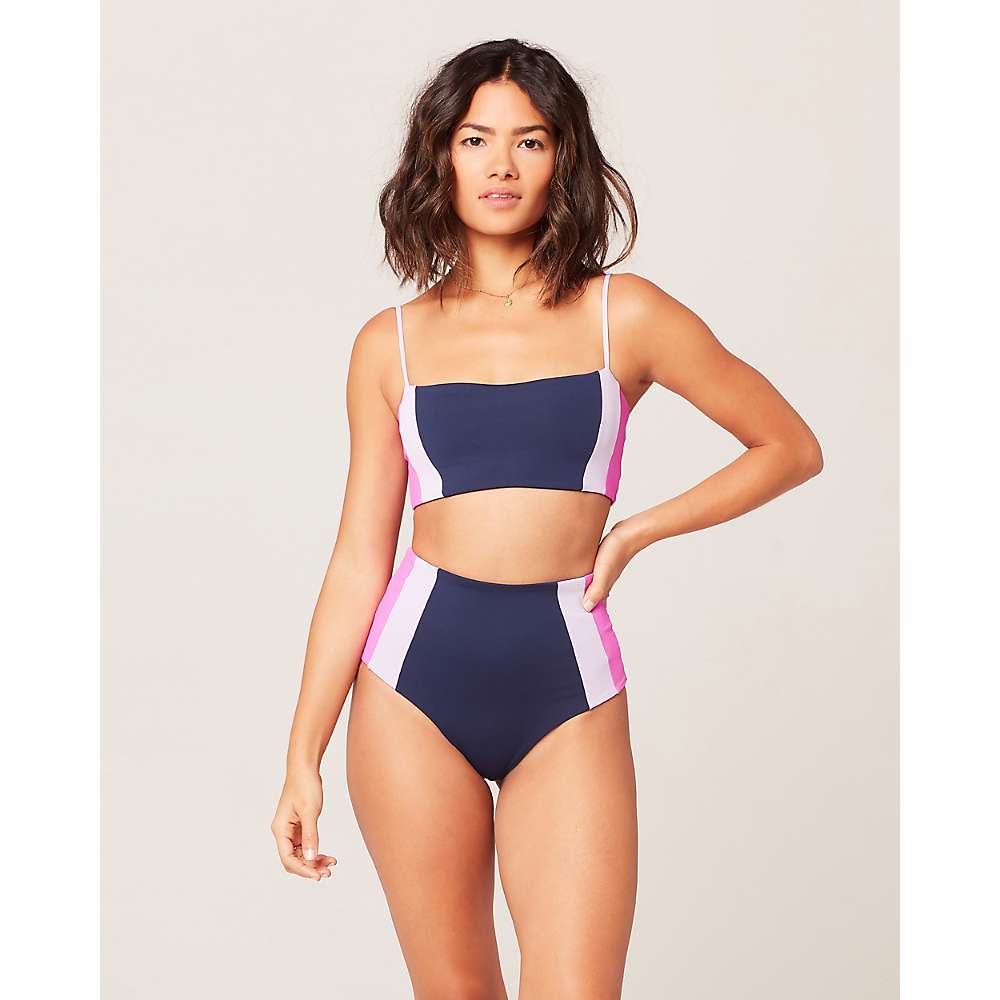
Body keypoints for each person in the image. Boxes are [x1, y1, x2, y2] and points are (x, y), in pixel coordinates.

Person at [271, 37, 823, 1000]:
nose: (501, 165)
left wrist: (639, 530)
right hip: (409, 688)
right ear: (440, 155)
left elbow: (789, 446)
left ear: (563, 155)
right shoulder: (388, 344)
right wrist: (301, 757)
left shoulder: (625, 314)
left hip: (567, 684)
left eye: (529, 141)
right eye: (475, 139)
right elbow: (360, 559)